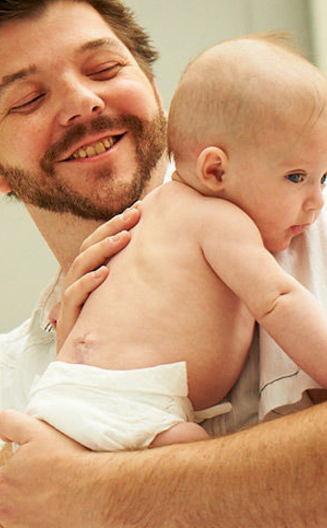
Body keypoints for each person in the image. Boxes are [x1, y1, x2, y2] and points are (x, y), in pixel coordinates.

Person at [0, 0, 327, 527]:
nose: (83, 101)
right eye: (29, 98)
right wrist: (62, 414)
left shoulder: (310, 221)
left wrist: (101, 489)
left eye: (105, 67)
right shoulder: (18, 367)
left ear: (157, 93)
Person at [27, 34, 327, 453]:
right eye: (297, 177)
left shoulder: (150, 214)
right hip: (132, 403)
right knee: (196, 462)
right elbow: (278, 300)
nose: (315, 201)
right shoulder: (218, 220)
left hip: (59, 393)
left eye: (323, 178)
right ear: (216, 171)